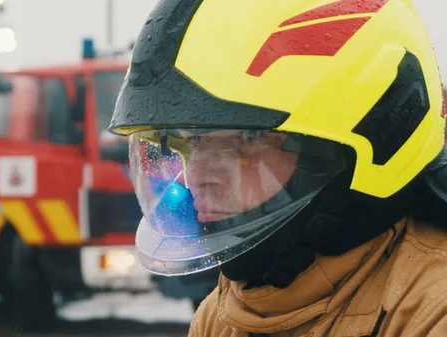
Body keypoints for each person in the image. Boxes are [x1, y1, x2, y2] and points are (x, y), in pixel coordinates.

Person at [108, 0, 447, 336]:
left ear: (376, 131)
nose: (195, 178)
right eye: (189, 143)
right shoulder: (223, 317)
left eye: (248, 137)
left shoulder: (431, 310)